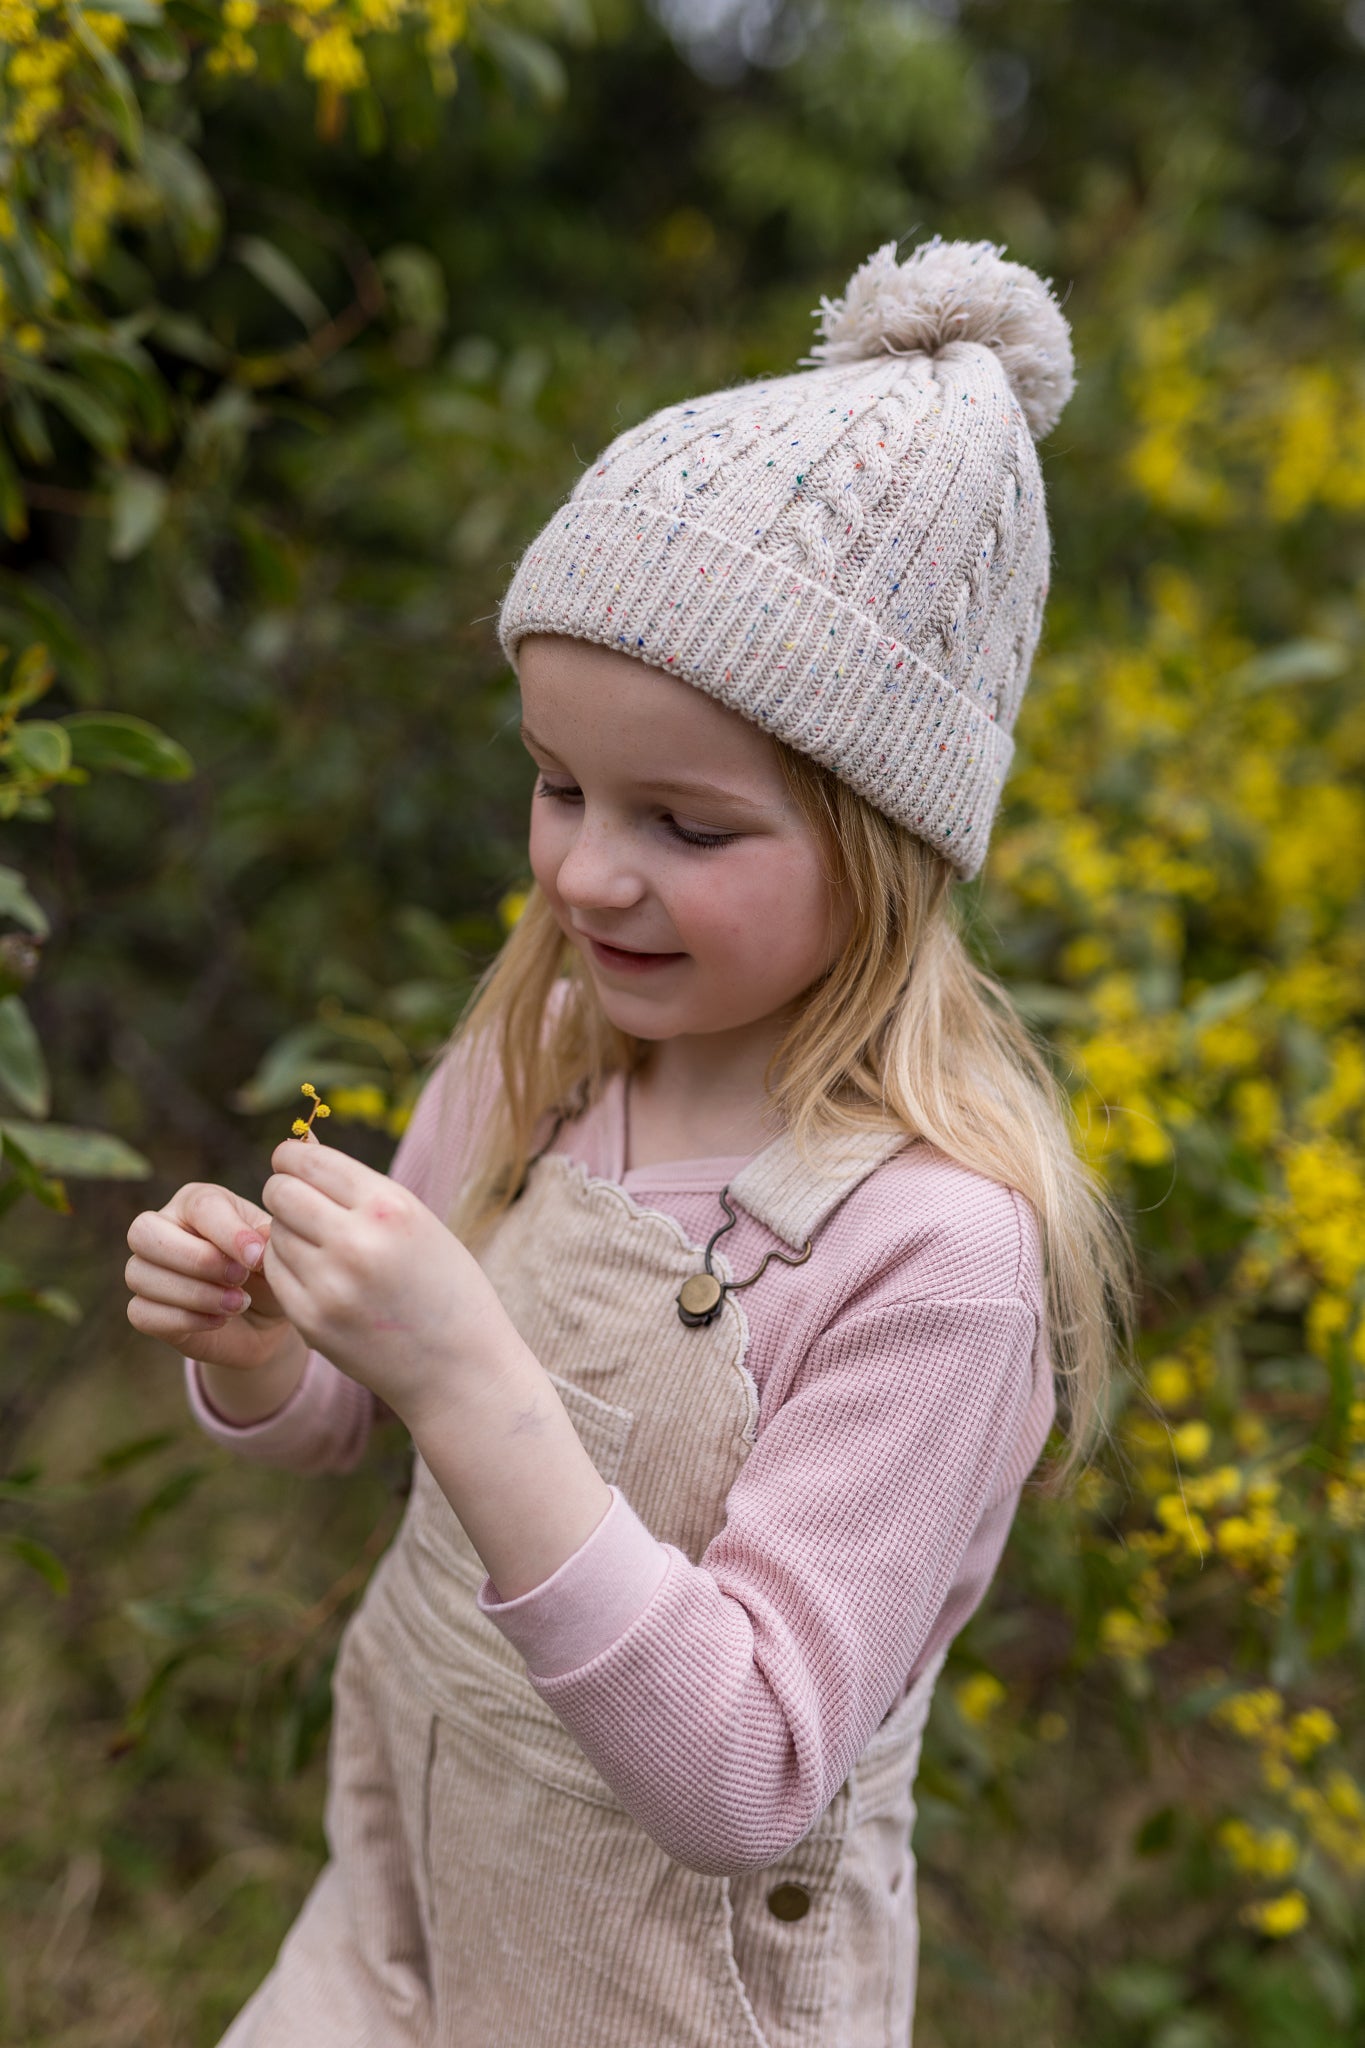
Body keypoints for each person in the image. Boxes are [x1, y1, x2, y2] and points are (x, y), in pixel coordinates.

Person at [124, 236, 1134, 2047]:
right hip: (394, 1934)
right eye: (558, 782)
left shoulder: (930, 1256)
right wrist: (271, 1346)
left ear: (886, 849)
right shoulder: (539, 1053)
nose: (590, 872)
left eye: (683, 821)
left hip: (669, 2000)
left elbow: (746, 1770)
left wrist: (468, 1374)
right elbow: (343, 1416)